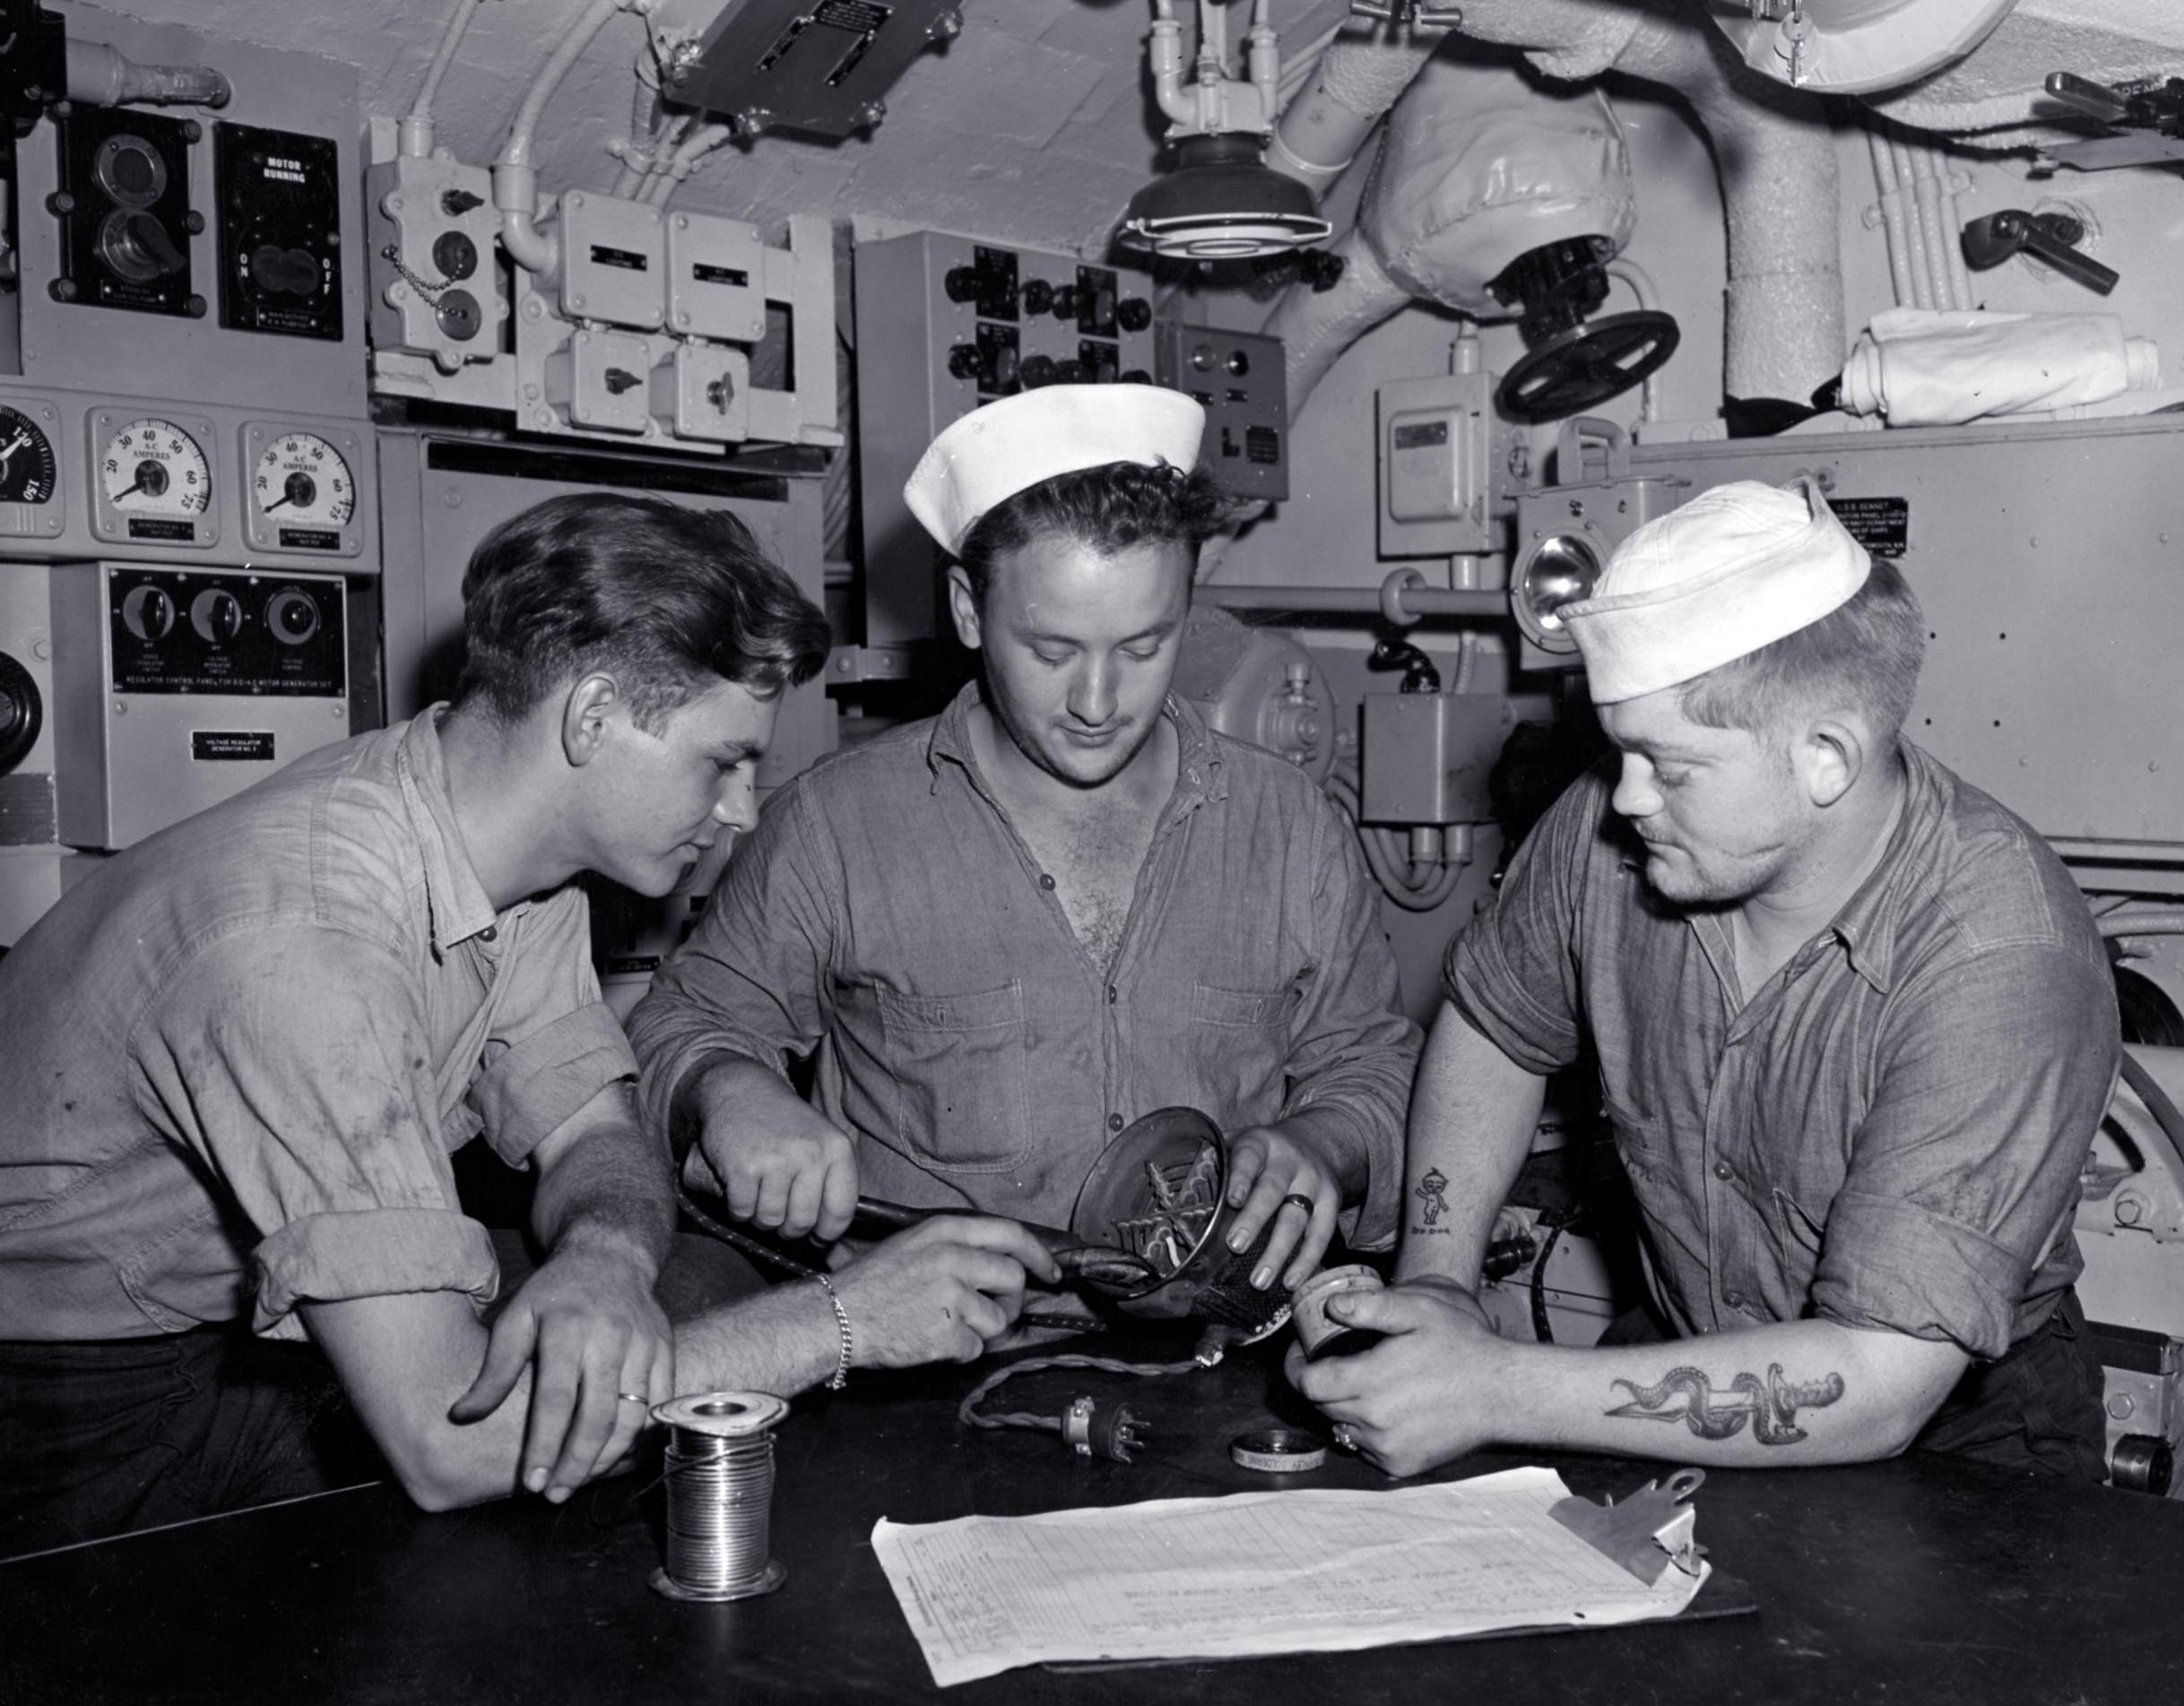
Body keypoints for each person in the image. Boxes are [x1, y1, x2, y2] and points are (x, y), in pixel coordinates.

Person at [0, 494, 1056, 1558]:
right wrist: (844, 1322)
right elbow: (449, 1444)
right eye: (721, 762)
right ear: (592, 716)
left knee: (688, 1285)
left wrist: (603, 1254)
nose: (742, 809)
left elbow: (593, 1130)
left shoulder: (507, 855)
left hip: (219, 1326)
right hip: (66, 1399)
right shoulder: (305, 947)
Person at [1291, 476, 2118, 1479]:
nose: (1624, 798)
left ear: (1825, 757)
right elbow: (1495, 1027)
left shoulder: (2002, 956)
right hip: (1684, 1340)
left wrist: (1492, 1386)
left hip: (1957, 1430)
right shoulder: (1614, 826)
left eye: (1670, 767)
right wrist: (1437, 1285)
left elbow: (1880, 1376)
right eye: (1621, 750)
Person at [628, 385, 1418, 1294]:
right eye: (1051, 652)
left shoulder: (1291, 829)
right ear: (968, 610)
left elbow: (1374, 1067)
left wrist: (1321, 1140)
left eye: (1144, 646)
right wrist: (730, 1087)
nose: (1097, 702)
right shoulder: (836, 827)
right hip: (929, 1356)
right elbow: (680, 1024)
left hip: (1209, 1342)